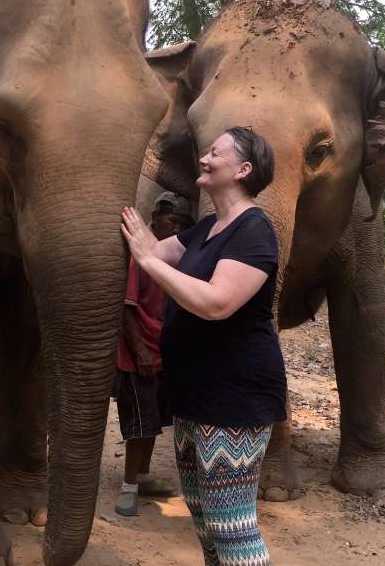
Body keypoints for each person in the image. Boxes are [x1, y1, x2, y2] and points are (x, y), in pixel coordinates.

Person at [120, 127, 288, 566]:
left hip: (234, 400)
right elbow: (154, 251)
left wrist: (147, 260)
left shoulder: (254, 231)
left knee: (232, 528)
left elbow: (216, 304)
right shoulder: (209, 227)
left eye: (215, 153)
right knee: (206, 523)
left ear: (243, 169)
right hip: (194, 398)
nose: (204, 158)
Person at [115, 192, 195, 517]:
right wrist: (140, 352)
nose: (176, 229)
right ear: (155, 216)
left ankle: (144, 477)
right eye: (172, 221)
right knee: (139, 424)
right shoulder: (139, 255)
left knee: (154, 422)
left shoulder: (173, 255)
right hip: (140, 356)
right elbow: (125, 308)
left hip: (163, 354)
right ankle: (128, 487)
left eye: (182, 224)